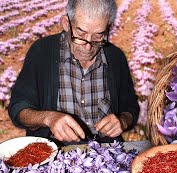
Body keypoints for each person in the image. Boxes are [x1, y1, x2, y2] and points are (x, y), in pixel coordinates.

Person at [8, 0, 140, 145]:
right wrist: (49, 118)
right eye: (81, 34)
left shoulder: (115, 57)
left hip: (105, 150)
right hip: (55, 149)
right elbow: (18, 109)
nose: (88, 46)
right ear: (66, 23)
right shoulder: (42, 52)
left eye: (98, 36)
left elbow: (130, 108)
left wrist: (122, 121)